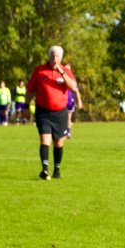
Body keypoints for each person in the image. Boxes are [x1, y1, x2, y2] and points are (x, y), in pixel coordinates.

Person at [25, 45, 78, 180]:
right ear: (48, 56)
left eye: (57, 56)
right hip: (43, 112)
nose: (54, 58)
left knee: (59, 142)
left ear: (61, 58)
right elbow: (30, 90)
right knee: (45, 139)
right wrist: (26, 106)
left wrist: (62, 73)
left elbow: (73, 87)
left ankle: (57, 170)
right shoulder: (39, 71)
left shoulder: (66, 71)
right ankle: (45, 170)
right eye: (52, 55)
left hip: (60, 113)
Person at [64, 69, 83, 138]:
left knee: (68, 118)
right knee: (63, 118)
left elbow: (76, 91)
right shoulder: (60, 77)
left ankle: (67, 132)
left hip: (69, 102)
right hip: (61, 102)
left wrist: (79, 101)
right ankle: (64, 132)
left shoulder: (71, 79)